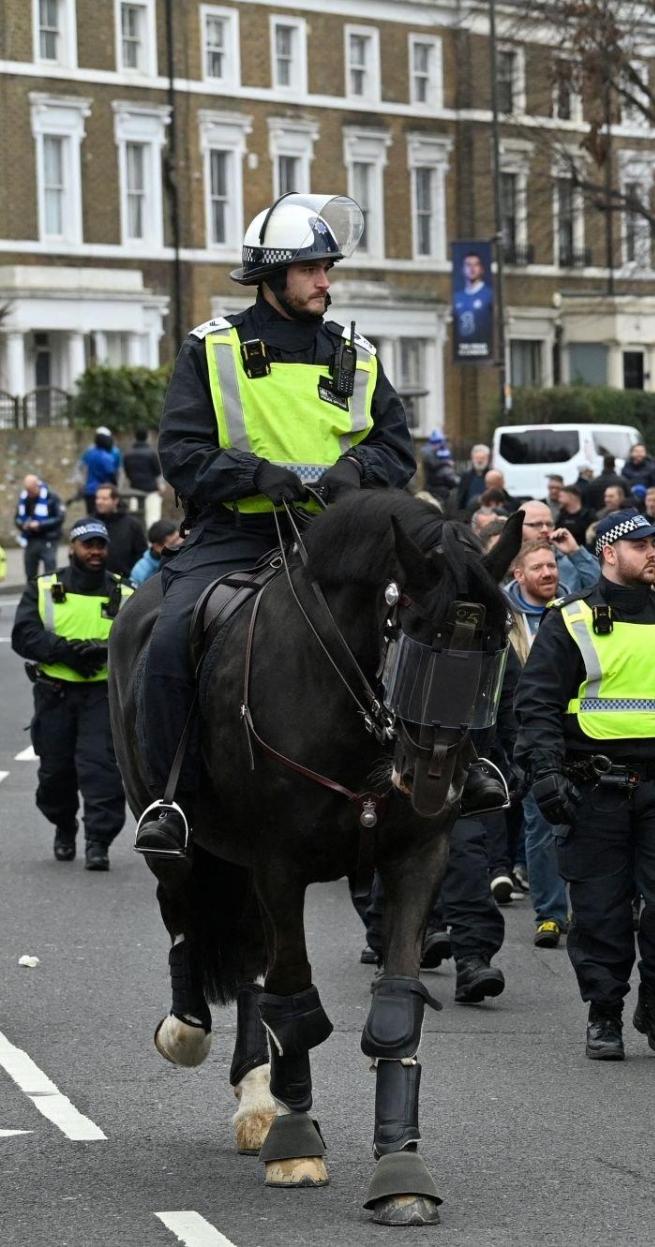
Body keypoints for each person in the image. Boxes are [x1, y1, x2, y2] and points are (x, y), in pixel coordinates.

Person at [133, 193, 434, 859]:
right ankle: (171, 798)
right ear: (272, 277)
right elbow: (180, 453)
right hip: (238, 537)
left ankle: (460, 771)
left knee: (447, 614)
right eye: (311, 270)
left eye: (328, 268)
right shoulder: (210, 349)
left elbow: (396, 449)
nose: (326, 281)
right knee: (170, 633)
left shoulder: (358, 352)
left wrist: (357, 467)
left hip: (341, 544)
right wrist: (251, 475)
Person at [517, 509, 655, 1060]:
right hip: (593, 787)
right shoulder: (569, 618)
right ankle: (605, 1013)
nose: (652, 554)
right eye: (640, 545)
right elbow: (538, 703)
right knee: (600, 909)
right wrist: (546, 774)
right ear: (609, 554)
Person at [11, 519, 127, 869]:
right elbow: (24, 634)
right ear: (72, 548)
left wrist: (102, 649)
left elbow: (140, 639)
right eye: (87, 545)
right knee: (55, 775)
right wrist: (67, 651)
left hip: (101, 695)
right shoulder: (45, 587)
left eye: (100, 545)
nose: (95, 552)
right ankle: (64, 826)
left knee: (102, 771)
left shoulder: (125, 591)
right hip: (55, 694)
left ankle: (98, 843)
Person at [502, 542, 570, 949]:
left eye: (552, 565)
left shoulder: (569, 613)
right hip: (528, 738)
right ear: (520, 576)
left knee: (579, 826)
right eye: (538, 567)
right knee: (541, 826)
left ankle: (585, 908)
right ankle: (549, 914)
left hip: (575, 732)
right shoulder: (505, 621)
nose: (548, 573)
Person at [16, 474, 64, 583]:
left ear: (37, 486)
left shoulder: (51, 497)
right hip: (31, 539)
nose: (30, 493)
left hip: (49, 538)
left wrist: (40, 525)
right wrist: (22, 525)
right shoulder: (24, 498)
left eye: (32, 490)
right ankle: (32, 596)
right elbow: (17, 517)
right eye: (28, 490)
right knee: (30, 570)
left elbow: (59, 517)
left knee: (50, 571)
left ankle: (51, 596)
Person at [92, 485, 145, 577]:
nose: (99, 502)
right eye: (97, 498)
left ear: (115, 500)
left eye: (104, 499)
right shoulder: (90, 523)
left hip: (124, 580)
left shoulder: (131, 525)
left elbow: (141, 554)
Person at [130, 520, 182, 587]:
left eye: (179, 538)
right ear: (157, 547)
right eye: (173, 543)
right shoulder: (141, 572)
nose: (180, 544)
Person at [81, 428, 121, 510]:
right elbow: (111, 473)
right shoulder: (106, 457)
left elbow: (84, 468)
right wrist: (115, 486)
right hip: (104, 492)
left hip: (90, 490)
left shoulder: (90, 453)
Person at [456, 443, 493, 513]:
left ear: (488, 459)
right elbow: (460, 499)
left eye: (482, 458)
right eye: (477, 458)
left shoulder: (492, 475)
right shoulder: (466, 477)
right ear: (472, 459)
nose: (479, 461)